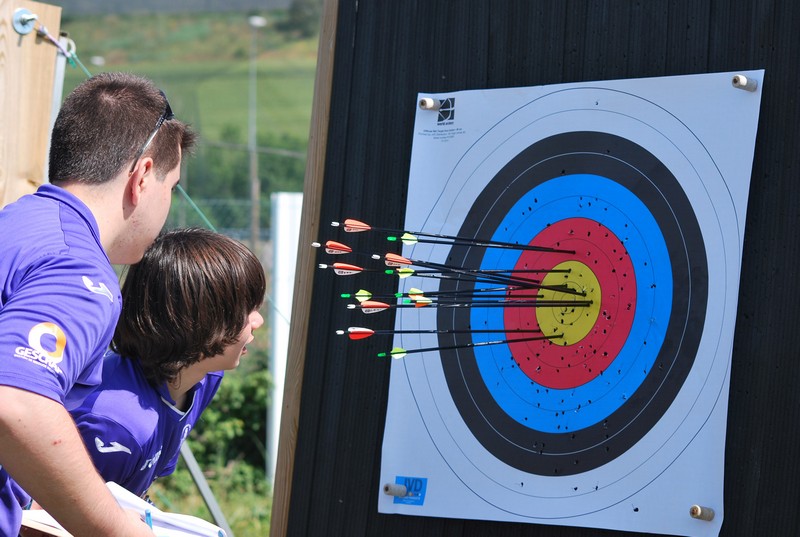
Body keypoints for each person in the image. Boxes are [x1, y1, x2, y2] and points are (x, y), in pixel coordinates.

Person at [0, 72, 196, 536]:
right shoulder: (81, 271)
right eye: (173, 187)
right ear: (144, 176)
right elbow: (17, 403)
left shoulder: (17, 224)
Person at [71, 228, 265, 498]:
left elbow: (132, 494)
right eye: (247, 312)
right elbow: (47, 520)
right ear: (200, 322)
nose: (258, 322)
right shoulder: (118, 425)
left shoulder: (204, 378)